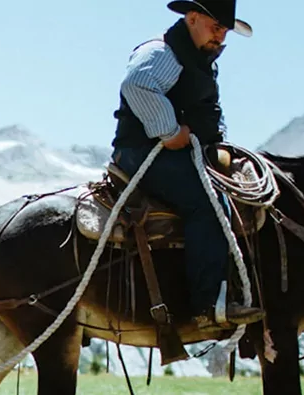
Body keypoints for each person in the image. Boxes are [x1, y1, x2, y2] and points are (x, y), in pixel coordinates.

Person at [110, 0, 263, 328]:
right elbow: (136, 84)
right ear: (192, 18)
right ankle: (206, 305)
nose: (220, 37)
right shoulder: (163, 52)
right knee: (207, 202)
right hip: (142, 153)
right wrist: (168, 130)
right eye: (215, 26)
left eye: (224, 30)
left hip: (173, 153)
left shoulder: (196, 56)